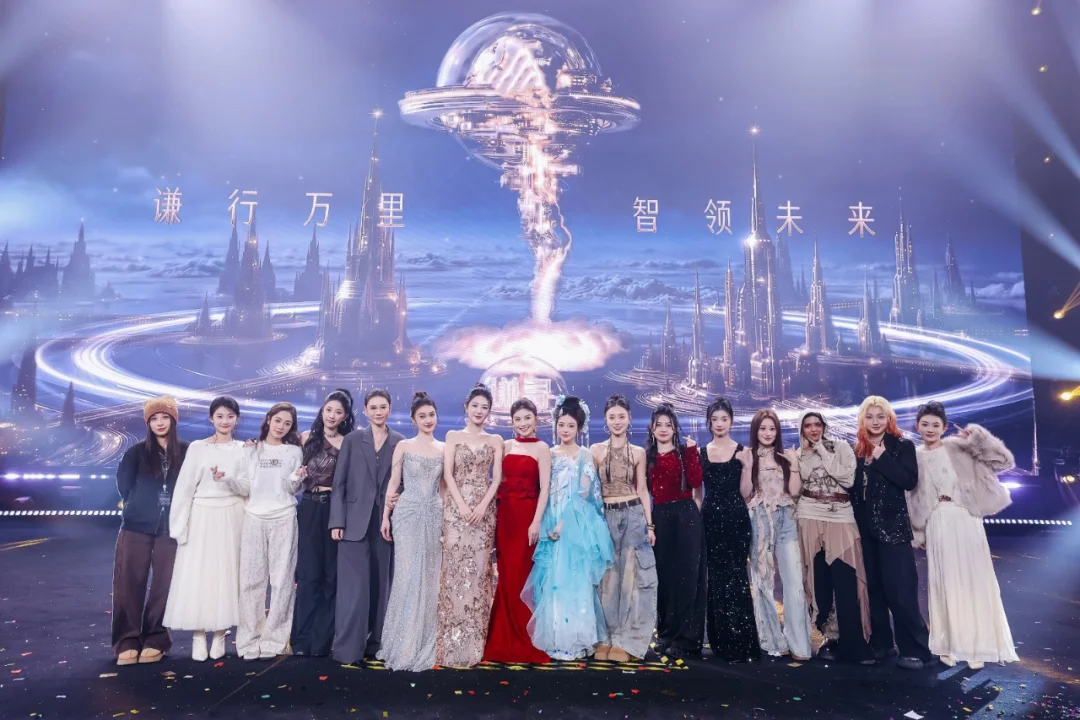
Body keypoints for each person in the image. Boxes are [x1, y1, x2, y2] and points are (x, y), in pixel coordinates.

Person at [908, 401, 1018, 669]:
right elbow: (912, 497)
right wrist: (919, 533)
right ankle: (948, 645)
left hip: (966, 518)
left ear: (945, 427)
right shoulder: (915, 456)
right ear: (917, 427)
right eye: (925, 424)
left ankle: (977, 647)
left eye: (936, 424)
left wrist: (978, 438)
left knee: (973, 582)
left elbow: (1004, 462)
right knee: (944, 584)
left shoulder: (960, 447)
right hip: (936, 522)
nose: (930, 429)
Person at [523, 396, 614, 660]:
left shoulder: (585, 456)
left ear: (579, 428)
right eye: (561, 424)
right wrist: (547, 522)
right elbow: (543, 489)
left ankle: (577, 638)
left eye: (570, 425)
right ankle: (554, 637)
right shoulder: (549, 454)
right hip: (550, 519)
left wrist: (563, 524)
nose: (565, 430)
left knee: (575, 579)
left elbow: (583, 494)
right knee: (552, 581)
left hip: (574, 524)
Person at [850, 395, 934, 670]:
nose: (875, 422)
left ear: (889, 419)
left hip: (894, 530)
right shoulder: (856, 450)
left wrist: (882, 457)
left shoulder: (901, 446)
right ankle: (882, 644)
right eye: (870, 417)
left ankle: (917, 650)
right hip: (864, 532)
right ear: (863, 420)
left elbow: (908, 481)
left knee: (901, 592)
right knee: (874, 591)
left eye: (880, 417)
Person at [164, 396, 246, 662]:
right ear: (211, 418)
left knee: (227, 575)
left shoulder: (244, 449)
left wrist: (230, 480)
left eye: (230, 416)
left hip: (233, 515)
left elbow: (248, 488)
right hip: (202, 516)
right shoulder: (198, 448)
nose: (225, 421)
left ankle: (221, 633)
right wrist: (179, 527)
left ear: (237, 419)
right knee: (198, 575)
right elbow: (184, 488)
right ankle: (198, 635)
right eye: (220, 416)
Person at [329, 389, 404, 665]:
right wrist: (337, 521)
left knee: (381, 586)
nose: (378, 412)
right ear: (365, 410)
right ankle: (348, 649)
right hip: (353, 521)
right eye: (373, 407)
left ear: (390, 408)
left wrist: (397, 499)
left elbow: (403, 481)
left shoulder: (399, 441)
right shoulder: (352, 439)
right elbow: (339, 482)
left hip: (386, 523)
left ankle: (377, 645)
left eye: (383, 407)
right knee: (353, 589)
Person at [224, 403, 304, 660]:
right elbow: (245, 486)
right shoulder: (251, 449)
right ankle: (248, 640)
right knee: (251, 581)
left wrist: (296, 479)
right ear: (269, 419)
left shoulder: (294, 451)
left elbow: (293, 489)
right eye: (278, 420)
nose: (281, 426)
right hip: (254, 518)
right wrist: (227, 479)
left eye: (287, 423)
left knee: (282, 581)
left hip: (284, 518)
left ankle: (275, 640)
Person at [112, 396, 189, 666]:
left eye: (165, 417)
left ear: (173, 420)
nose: (159, 423)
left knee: (164, 584)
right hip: (136, 525)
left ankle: (156, 638)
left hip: (172, 526)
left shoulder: (187, 451)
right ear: (148, 423)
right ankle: (127, 640)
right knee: (128, 582)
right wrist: (139, 505)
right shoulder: (135, 452)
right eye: (154, 418)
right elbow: (123, 485)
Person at [794, 410, 875, 665]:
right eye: (808, 425)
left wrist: (821, 449)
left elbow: (848, 479)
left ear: (824, 426)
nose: (813, 429)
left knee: (846, 579)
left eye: (817, 424)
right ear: (802, 429)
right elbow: (797, 488)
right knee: (820, 582)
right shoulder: (798, 454)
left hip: (840, 516)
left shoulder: (841, 447)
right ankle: (830, 637)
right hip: (809, 515)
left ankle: (854, 642)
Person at [435, 383, 503, 668]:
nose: (479, 411)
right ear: (466, 407)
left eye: (484, 407)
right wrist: (461, 506)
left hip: (484, 514)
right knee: (454, 573)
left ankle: (475, 643)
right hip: (456, 512)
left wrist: (483, 506)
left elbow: (496, 479)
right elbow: (448, 475)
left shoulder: (495, 440)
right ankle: (450, 643)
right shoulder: (452, 436)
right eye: (475, 405)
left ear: (489, 412)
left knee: (478, 575)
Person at [377, 392, 445, 671]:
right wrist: (386, 516)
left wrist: (447, 520)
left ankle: (424, 640)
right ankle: (402, 643)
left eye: (431, 415)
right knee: (406, 575)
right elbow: (394, 483)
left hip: (435, 513)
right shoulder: (403, 446)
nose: (428, 420)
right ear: (413, 420)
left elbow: (444, 488)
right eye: (422, 416)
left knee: (430, 577)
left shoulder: (444, 448)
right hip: (406, 514)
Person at [483, 397, 551, 664]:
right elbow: (496, 481)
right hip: (506, 517)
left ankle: (525, 638)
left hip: (527, 518)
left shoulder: (542, 448)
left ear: (536, 419)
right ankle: (502, 638)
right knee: (506, 576)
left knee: (522, 578)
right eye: (517, 419)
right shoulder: (505, 445)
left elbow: (545, 489)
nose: (522, 423)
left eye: (527, 418)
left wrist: (536, 522)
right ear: (512, 422)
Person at [590, 394, 656, 663]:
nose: (616, 421)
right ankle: (605, 638)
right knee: (607, 578)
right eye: (611, 417)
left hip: (633, 515)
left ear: (629, 418)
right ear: (605, 421)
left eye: (621, 416)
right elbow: (592, 491)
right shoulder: (596, 451)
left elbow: (643, 490)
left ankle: (625, 640)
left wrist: (649, 525)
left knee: (632, 579)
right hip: (605, 516)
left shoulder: (638, 452)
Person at [741, 409, 811, 660]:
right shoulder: (749, 456)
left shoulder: (785, 457)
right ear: (755, 430)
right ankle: (773, 639)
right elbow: (745, 493)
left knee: (794, 582)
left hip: (786, 518)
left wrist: (794, 466)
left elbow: (795, 492)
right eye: (763, 428)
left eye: (772, 428)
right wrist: (747, 466)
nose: (768, 433)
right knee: (763, 582)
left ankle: (799, 644)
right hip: (759, 519)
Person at [291, 389, 355, 657]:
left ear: (345, 417)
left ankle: (321, 641)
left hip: (334, 511)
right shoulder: (306, 438)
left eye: (338, 412)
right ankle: (301, 640)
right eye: (329, 410)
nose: (332, 416)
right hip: (308, 507)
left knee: (331, 576)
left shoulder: (349, 442)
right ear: (322, 410)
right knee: (308, 575)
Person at [698, 397, 760, 663]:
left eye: (724, 419)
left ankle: (742, 640)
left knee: (736, 577)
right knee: (715, 578)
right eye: (715, 419)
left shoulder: (743, 451)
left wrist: (747, 466)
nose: (720, 424)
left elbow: (745, 493)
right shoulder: (701, 452)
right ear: (709, 423)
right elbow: (698, 494)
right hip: (710, 519)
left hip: (736, 518)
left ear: (731, 422)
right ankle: (720, 640)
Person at [646, 402, 705, 659]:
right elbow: (643, 491)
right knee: (664, 579)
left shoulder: (684, 452)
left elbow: (695, 481)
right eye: (658, 424)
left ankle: (686, 638)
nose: (663, 429)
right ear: (651, 428)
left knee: (686, 578)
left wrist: (691, 452)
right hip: (660, 517)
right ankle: (666, 634)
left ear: (675, 428)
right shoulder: (647, 456)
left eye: (668, 425)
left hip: (685, 516)